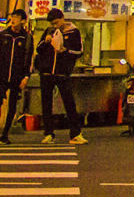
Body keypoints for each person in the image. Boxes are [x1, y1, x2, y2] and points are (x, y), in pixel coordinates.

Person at [34, 8, 86, 144]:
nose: (55, 26)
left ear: (62, 18)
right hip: (46, 73)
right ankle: (48, 133)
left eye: (56, 22)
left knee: (69, 102)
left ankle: (75, 133)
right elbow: (38, 49)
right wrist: (45, 41)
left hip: (62, 73)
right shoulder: (49, 31)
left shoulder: (74, 31)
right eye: (52, 24)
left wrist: (66, 51)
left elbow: (79, 51)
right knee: (46, 103)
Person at [0, 10, 34, 144]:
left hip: (17, 76)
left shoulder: (26, 38)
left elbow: (29, 58)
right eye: (12, 17)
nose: (13, 19)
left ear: (23, 21)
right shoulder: (3, 35)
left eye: (17, 17)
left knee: (12, 106)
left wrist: (26, 76)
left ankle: (5, 134)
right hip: (1, 75)